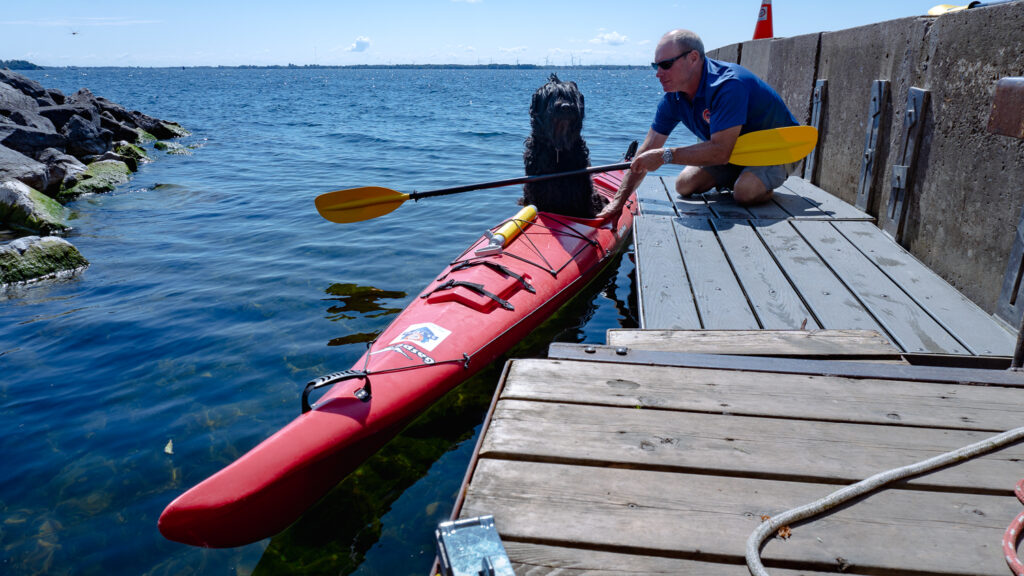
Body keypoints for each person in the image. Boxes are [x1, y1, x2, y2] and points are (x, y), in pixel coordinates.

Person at [598, 29, 797, 219]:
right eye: (655, 66)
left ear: (693, 58)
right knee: (683, 185)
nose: (658, 73)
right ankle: (739, 176)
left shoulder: (728, 85)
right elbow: (647, 150)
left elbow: (720, 152)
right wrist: (617, 202)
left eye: (665, 65)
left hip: (776, 149)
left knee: (744, 192)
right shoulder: (672, 98)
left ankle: (758, 185)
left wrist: (665, 156)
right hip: (734, 152)